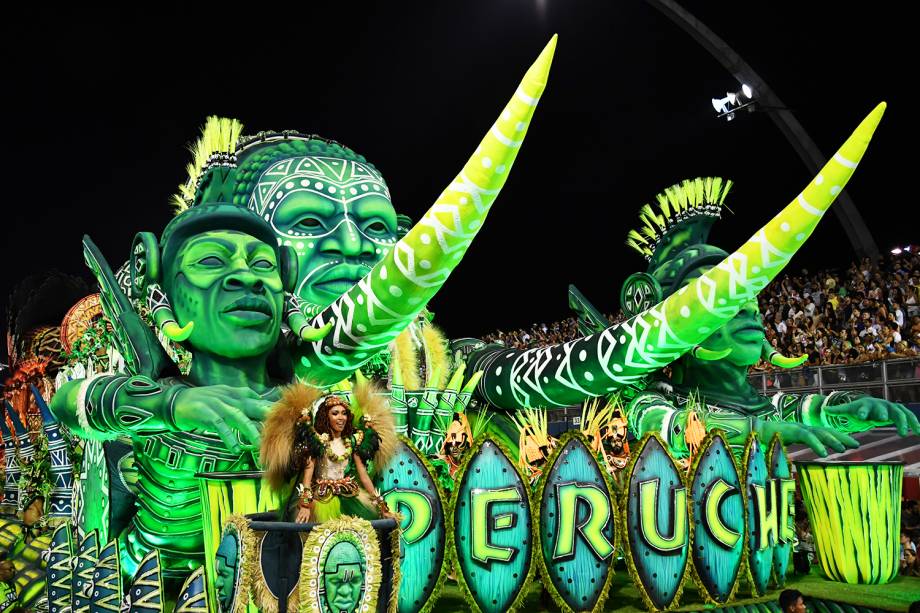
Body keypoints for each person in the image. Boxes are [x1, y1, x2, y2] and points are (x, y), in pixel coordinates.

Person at [261, 382, 397, 523]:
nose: (341, 418)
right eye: (335, 413)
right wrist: (305, 506)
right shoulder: (317, 442)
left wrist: (382, 506)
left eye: (344, 413)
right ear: (326, 417)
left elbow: (363, 476)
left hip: (350, 497)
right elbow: (307, 476)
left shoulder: (352, 441)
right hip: (321, 499)